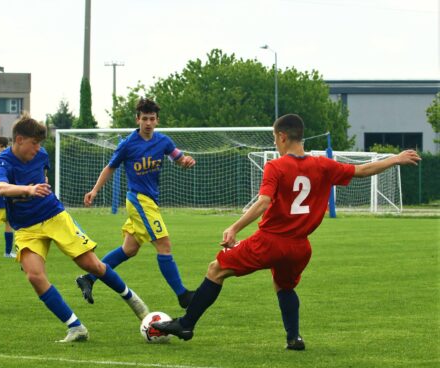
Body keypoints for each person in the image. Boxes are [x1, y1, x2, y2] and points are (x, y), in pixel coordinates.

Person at [151, 113, 421, 350]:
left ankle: (186, 325)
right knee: (283, 285)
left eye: (274, 138)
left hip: (270, 241)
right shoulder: (322, 165)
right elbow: (361, 170)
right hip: (300, 248)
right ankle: (294, 338)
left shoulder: (276, 166)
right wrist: (394, 159)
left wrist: (234, 227)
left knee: (216, 269)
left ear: (281, 137)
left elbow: (264, 202)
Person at [0, 112, 149, 342]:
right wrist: (28, 189)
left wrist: (38, 188)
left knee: (91, 264)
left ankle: (135, 302)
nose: (38, 148)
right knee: (35, 276)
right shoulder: (1, 161)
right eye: (34, 143)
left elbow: (42, 176)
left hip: (54, 215)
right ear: (19, 140)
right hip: (26, 227)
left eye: (40, 144)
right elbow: (2, 188)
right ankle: (76, 327)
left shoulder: (42, 155)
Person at [76, 97, 197, 309]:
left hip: (149, 201)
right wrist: (94, 191)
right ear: (137, 119)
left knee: (129, 249)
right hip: (138, 200)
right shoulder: (128, 144)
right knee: (164, 245)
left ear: (157, 120)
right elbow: (110, 168)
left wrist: (186, 162)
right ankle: (183, 295)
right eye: (144, 119)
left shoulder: (164, 141)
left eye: (152, 119)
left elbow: (179, 158)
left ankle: (89, 278)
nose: (148, 123)